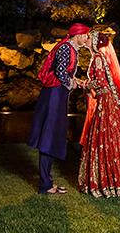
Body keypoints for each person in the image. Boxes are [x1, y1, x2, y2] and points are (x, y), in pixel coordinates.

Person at [77, 26, 120, 198]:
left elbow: (100, 83)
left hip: (106, 103)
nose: (86, 40)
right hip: (108, 101)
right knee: (112, 138)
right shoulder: (99, 57)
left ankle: (107, 184)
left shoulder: (98, 58)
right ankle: (119, 182)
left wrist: (83, 84)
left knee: (104, 138)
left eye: (89, 38)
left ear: (94, 42)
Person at [27, 23, 91, 195]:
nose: (87, 38)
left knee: (52, 136)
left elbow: (65, 73)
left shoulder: (69, 48)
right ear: (77, 35)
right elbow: (60, 73)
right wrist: (72, 83)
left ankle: (46, 182)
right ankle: (44, 185)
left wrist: (75, 81)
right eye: (85, 35)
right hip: (54, 96)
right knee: (48, 137)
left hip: (58, 94)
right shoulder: (65, 48)